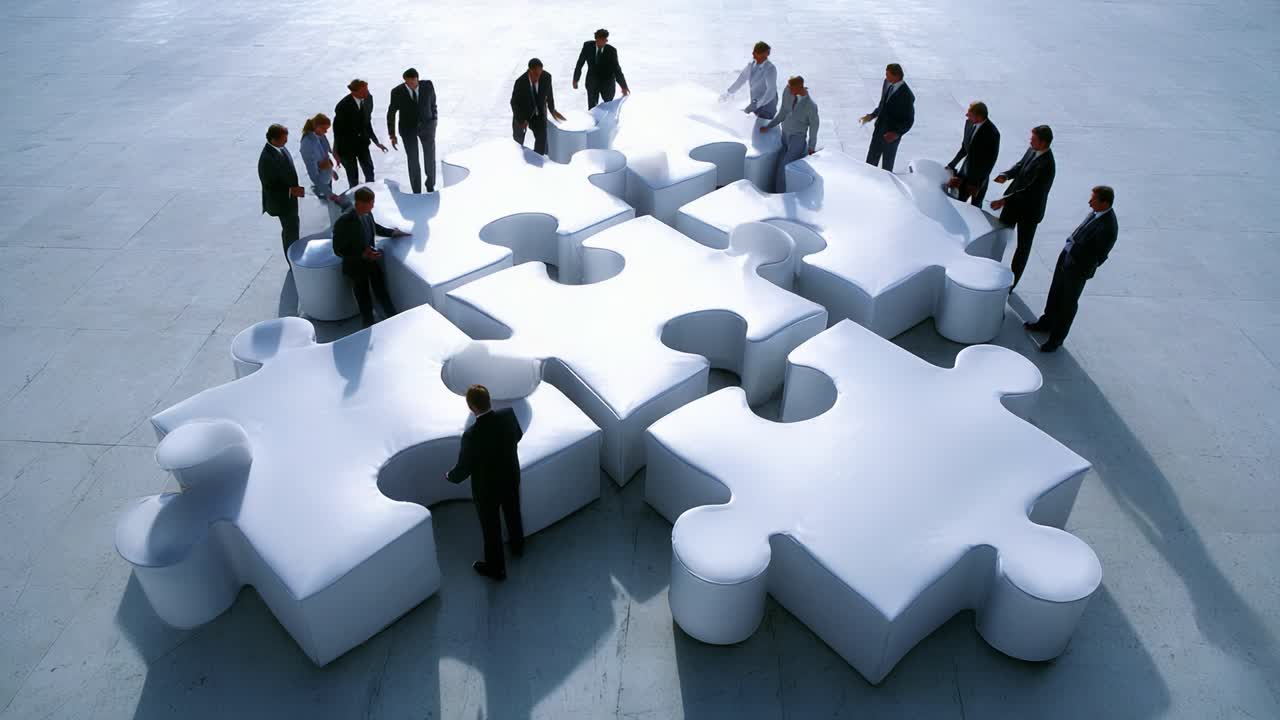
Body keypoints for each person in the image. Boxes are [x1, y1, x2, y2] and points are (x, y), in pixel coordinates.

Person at [446, 384, 525, 581]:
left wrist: (450, 476)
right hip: (511, 477)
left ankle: (496, 568)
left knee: (491, 529)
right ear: (489, 399)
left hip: (487, 490)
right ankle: (518, 547)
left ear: (471, 408)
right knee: (513, 512)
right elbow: (518, 436)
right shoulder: (508, 415)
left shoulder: (471, 435)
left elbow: (464, 468)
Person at [1025, 186, 1118, 352]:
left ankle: (1056, 339)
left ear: (1105, 203)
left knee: (1067, 304)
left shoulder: (1108, 226)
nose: (1089, 202)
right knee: (1055, 293)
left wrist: (1078, 265)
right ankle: (1046, 323)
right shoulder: (1096, 213)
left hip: (1077, 269)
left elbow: (1100, 256)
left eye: (1093, 199)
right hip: (1066, 259)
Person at [990, 125, 1057, 289]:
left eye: (1033, 139)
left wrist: (1004, 200)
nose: (1030, 141)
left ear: (1043, 143)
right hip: (1014, 204)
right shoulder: (1033, 150)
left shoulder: (1046, 165)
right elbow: (1021, 165)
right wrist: (1006, 175)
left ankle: (1011, 283)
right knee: (999, 236)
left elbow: (1030, 191)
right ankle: (990, 270)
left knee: (1023, 248)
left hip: (1029, 211)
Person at [331, 187, 407, 328]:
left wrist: (393, 233)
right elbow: (338, 250)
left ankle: (394, 321)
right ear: (359, 203)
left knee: (382, 292)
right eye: (370, 203)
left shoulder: (368, 213)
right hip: (356, 268)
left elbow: (375, 228)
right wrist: (362, 254)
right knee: (364, 300)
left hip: (371, 262)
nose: (373, 206)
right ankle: (368, 327)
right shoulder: (344, 222)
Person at [760, 76, 819, 192]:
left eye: (791, 88)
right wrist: (769, 126)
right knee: (779, 164)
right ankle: (777, 191)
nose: (788, 90)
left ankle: (781, 196)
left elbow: (814, 127)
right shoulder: (788, 92)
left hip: (797, 139)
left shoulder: (811, 106)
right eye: (788, 87)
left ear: (799, 87)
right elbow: (783, 112)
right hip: (785, 136)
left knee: (784, 167)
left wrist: (812, 147)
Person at [387, 67, 439, 193]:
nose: (413, 84)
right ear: (405, 81)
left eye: (415, 81)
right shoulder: (396, 92)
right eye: (410, 82)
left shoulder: (428, 85)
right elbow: (391, 113)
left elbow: (433, 104)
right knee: (413, 159)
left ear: (418, 78)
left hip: (427, 127)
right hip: (407, 129)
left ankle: (430, 185)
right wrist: (392, 134)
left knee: (430, 157)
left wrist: (434, 121)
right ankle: (416, 190)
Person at [258, 123, 304, 262]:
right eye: (283, 139)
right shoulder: (266, 159)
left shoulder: (280, 148)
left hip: (290, 199)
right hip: (282, 203)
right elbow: (269, 186)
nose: (286, 141)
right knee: (290, 232)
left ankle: (295, 256)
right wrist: (291, 190)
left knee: (294, 228)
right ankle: (292, 262)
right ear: (273, 139)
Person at [859, 63, 915, 172]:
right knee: (870, 163)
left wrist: (896, 133)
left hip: (890, 137)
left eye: (888, 75)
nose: (886, 77)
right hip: (879, 131)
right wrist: (872, 115)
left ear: (897, 76)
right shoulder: (887, 83)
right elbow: (883, 104)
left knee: (887, 167)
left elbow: (909, 121)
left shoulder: (907, 95)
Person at [333, 79, 387, 189]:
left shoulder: (368, 99)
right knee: (353, 177)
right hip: (347, 147)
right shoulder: (342, 107)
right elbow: (337, 130)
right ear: (354, 92)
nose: (367, 93)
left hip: (362, 144)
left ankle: (371, 196)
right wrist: (335, 151)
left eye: (367, 90)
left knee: (369, 171)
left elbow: (367, 122)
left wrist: (376, 142)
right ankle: (357, 201)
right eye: (363, 91)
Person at [945, 101, 1001, 206]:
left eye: (970, 114)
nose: (966, 115)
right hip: (964, 173)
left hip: (978, 179)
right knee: (958, 203)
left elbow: (989, 162)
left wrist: (976, 184)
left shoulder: (992, 133)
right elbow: (964, 149)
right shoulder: (969, 123)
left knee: (975, 208)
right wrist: (952, 165)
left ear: (979, 117)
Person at [299, 113, 350, 225]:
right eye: (324, 129)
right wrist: (329, 194)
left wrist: (331, 171)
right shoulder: (308, 144)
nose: (326, 132)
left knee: (331, 207)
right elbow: (314, 175)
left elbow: (325, 156)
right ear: (316, 126)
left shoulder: (320, 135)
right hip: (319, 186)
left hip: (325, 179)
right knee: (325, 208)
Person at [510, 58, 566, 156]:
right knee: (518, 143)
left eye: (540, 73)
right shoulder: (520, 82)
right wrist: (521, 120)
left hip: (538, 113)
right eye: (536, 74)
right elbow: (514, 103)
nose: (538, 76)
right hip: (522, 113)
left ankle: (538, 159)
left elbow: (549, 95)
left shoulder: (546, 77)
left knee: (542, 138)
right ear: (530, 70)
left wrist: (552, 110)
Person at [572, 29, 630, 109]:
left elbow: (617, 69)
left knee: (608, 108)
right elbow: (580, 63)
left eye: (606, 39)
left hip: (608, 83)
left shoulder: (611, 51)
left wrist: (623, 86)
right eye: (603, 39)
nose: (606, 41)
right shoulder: (587, 46)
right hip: (592, 82)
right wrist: (576, 79)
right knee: (592, 109)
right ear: (597, 39)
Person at [723, 41, 778, 119]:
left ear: (764, 54)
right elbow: (740, 80)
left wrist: (757, 104)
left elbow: (771, 91)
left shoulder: (770, 69)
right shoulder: (751, 66)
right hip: (755, 107)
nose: (753, 54)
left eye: (756, 52)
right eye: (753, 51)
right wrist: (728, 93)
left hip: (767, 109)